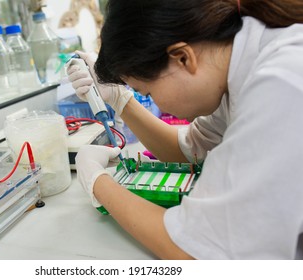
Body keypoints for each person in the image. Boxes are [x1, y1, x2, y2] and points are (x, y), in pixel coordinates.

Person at [67, 0, 303, 259]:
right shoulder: (237, 63)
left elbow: (197, 251)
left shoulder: (282, 83)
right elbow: (191, 149)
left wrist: (97, 182)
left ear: (182, 57)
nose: (154, 101)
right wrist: (121, 101)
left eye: (148, 93)